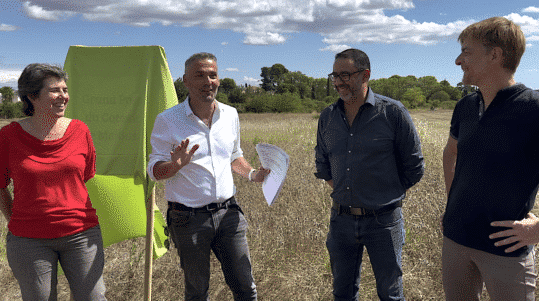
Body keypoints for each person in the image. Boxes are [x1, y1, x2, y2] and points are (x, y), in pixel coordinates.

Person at [147, 52, 270, 300]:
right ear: (185, 81)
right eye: (199, 75)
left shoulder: (230, 114)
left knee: (246, 287)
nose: (208, 81)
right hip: (187, 218)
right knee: (197, 291)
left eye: (212, 75)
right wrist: (174, 166)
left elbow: (235, 156)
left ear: (219, 79)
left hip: (229, 214)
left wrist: (254, 174)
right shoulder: (168, 120)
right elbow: (153, 170)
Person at [441, 16, 539, 301]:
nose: (459, 60)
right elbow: (451, 152)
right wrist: (452, 204)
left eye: (466, 51)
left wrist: (536, 230)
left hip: (506, 250)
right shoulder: (467, 106)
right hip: (456, 240)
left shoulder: (533, 108)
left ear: (495, 54)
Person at [315, 48, 424, 301]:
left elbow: (414, 166)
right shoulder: (328, 117)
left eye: (346, 75)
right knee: (342, 292)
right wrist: (344, 192)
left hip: (383, 222)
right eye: (335, 76)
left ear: (365, 75)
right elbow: (322, 163)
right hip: (340, 220)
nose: (339, 82)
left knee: (390, 293)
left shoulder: (392, 112)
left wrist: (385, 196)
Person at [0, 63, 106, 300]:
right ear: (32, 96)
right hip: (29, 240)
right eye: (55, 90)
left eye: (65, 89)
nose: (63, 96)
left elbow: (86, 175)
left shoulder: (80, 130)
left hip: (81, 234)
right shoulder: (8, 137)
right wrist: (15, 219)